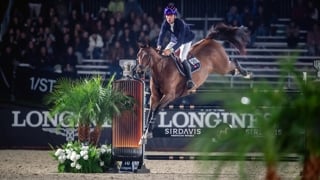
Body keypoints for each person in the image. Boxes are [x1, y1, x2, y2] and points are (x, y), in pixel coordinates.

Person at [156, 5, 195, 89]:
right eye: (167, 15)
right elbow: (161, 36)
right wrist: (159, 46)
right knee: (163, 54)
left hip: (185, 40)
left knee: (182, 58)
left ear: (175, 16)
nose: (168, 18)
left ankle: (189, 80)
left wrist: (171, 50)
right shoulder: (165, 23)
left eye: (170, 15)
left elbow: (180, 41)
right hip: (174, 39)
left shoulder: (180, 23)